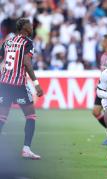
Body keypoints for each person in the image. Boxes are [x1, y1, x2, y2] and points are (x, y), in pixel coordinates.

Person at [0, 18, 43, 159]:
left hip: (4, 84)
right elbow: (27, 63)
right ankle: (26, 149)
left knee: (2, 117)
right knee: (31, 116)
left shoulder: (7, 42)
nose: (32, 27)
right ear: (24, 27)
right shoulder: (27, 42)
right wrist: (36, 84)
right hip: (18, 85)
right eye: (30, 25)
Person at [92, 34, 107, 145]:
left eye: (103, 41)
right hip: (101, 87)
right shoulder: (103, 56)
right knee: (96, 112)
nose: (101, 43)